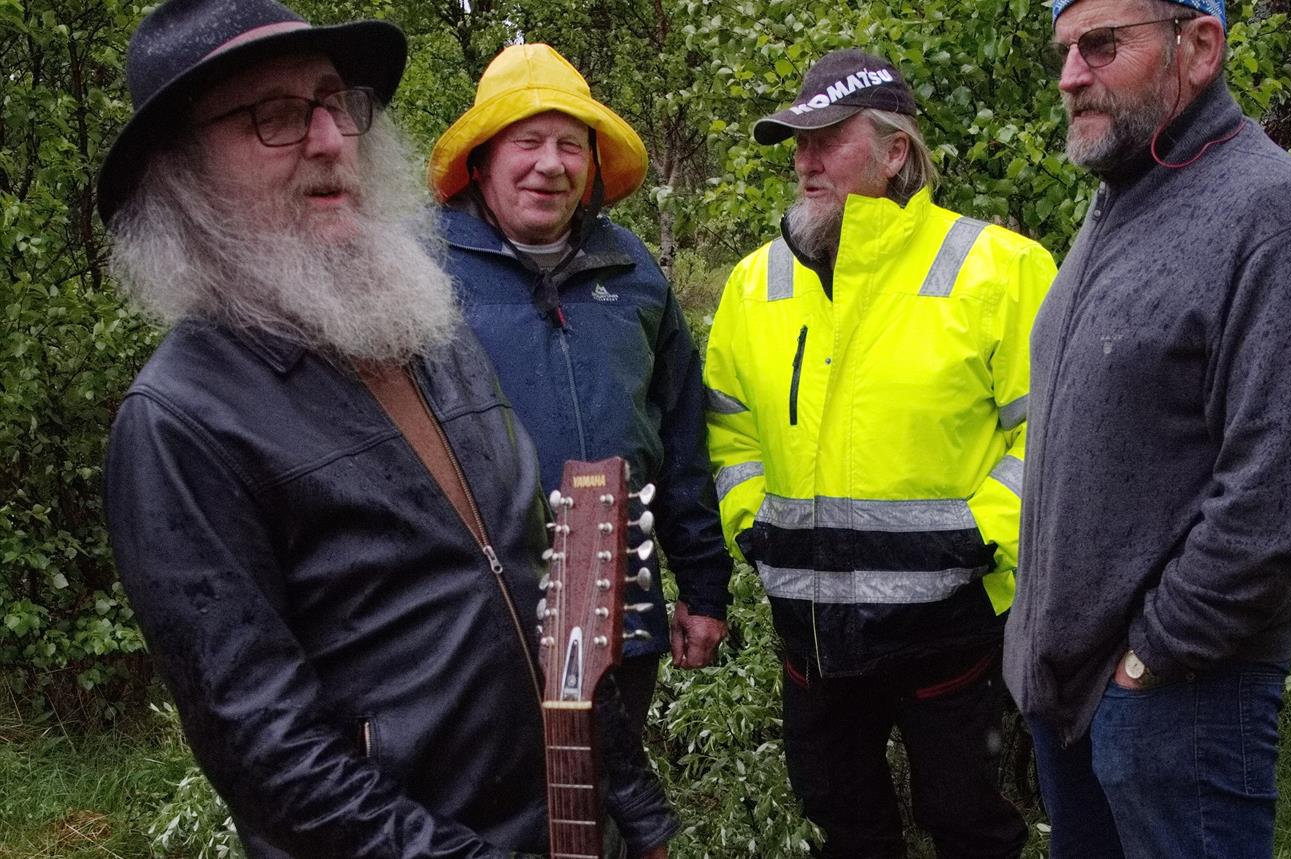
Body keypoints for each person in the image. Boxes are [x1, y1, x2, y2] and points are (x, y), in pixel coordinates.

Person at [98, 1, 675, 856]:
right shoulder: (181, 421)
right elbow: (273, 758)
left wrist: (637, 810)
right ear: (182, 172)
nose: (331, 139)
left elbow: (548, 601)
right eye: (276, 117)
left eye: (336, 102)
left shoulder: (423, 327)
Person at [1002, 0, 1291, 854]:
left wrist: (1150, 660)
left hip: (1180, 698)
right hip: (1072, 697)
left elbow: (1278, 491)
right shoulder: (1117, 202)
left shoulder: (1276, 208)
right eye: (1065, 51)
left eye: (1101, 45)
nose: (1070, 76)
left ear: (1200, 46)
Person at [703, 48, 1056, 859]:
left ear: (896, 150)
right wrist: (756, 525)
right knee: (844, 822)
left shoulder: (1000, 269)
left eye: (828, 136)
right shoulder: (755, 283)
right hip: (811, 635)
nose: (804, 158)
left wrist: (978, 534)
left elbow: (1048, 437)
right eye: (797, 139)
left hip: (953, 628)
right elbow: (730, 428)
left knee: (971, 826)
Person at [426, 44, 733, 729]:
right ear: (481, 161)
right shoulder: (418, 277)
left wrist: (705, 586)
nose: (550, 164)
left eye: (571, 145)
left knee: (608, 810)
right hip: (464, 632)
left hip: (618, 623)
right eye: (527, 141)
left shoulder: (634, 275)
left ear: (593, 166)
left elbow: (681, 439)